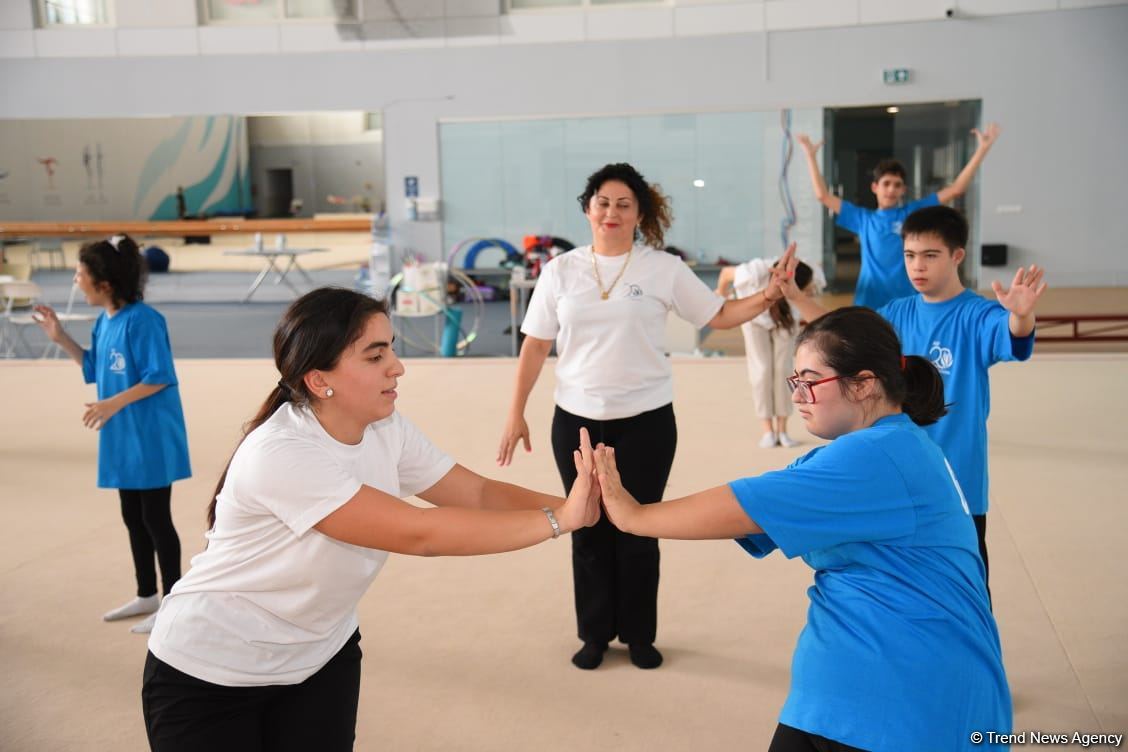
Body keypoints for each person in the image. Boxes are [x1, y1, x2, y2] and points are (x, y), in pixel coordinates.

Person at [141, 287, 601, 752]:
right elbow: (419, 533)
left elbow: (477, 492)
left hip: (321, 657)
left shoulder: (384, 425)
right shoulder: (281, 454)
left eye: (392, 349)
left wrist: (590, 504)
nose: (397, 367)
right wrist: (561, 519)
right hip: (210, 672)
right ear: (320, 380)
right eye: (375, 356)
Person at [594, 306, 1012, 752]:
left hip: (908, 702)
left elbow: (741, 506)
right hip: (886, 688)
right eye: (795, 381)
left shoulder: (873, 456)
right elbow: (763, 503)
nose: (797, 396)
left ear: (864, 384)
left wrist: (633, 516)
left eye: (810, 381)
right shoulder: (891, 443)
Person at [497, 162, 797, 671]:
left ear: (639, 214)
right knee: (587, 526)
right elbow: (536, 345)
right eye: (603, 202)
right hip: (577, 420)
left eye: (623, 204)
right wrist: (515, 413)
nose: (611, 212)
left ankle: (639, 634)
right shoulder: (562, 271)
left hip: (646, 421)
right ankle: (594, 634)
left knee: (640, 527)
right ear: (587, 208)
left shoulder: (662, 268)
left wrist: (769, 294)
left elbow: (718, 315)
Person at [785, 206, 1045, 599]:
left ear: (957, 255)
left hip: (958, 479)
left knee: (967, 591)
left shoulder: (977, 314)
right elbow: (838, 336)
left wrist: (1022, 317)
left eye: (930, 255)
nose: (916, 266)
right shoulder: (897, 312)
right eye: (909, 255)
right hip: (896, 470)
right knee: (901, 584)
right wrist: (796, 297)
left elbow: (1011, 332)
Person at [33, 234, 191, 634]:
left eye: (79, 274)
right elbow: (93, 369)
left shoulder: (145, 321)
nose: (75, 281)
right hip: (121, 433)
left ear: (103, 284)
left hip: (150, 434)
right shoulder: (105, 322)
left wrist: (111, 404)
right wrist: (59, 337)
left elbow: (159, 377)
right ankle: (146, 594)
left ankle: (172, 600)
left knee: (156, 518)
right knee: (131, 516)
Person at [797, 123, 1000, 309]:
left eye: (897, 185)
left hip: (907, 300)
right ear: (875, 187)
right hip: (869, 300)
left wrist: (982, 149)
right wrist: (810, 156)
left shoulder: (913, 214)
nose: (891, 189)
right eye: (886, 184)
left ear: (903, 190)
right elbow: (822, 195)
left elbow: (956, 189)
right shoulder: (863, 218)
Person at [716, 256, 823, 448]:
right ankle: (767, 430)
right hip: (754, 318)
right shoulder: (753, 271)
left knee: (784, 368)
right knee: (762, 370)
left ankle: (782, 429)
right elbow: (725, 274)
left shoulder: (811, 275)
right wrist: (721, 296)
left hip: (785, 318)